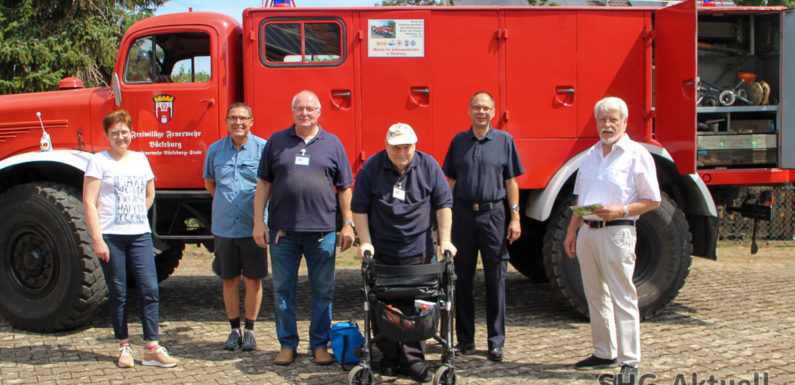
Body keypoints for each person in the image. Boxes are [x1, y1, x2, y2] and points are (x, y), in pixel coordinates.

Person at [252, 90, 355, 366]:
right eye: (300, 108)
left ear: (320, 112)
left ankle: (319, 345)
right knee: (284, 291)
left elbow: (345, 187)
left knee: (323, 291)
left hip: (322, 233)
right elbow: (263, 184)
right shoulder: (277, 142)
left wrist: (347, 223)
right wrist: (259, 222)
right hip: (282, 233)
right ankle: (287, 345)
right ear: (292, 111)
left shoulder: (332, 143)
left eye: (310, 108)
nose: (305, 113)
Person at [563, 97, 661, 385]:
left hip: (618, 232)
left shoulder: (636, 154)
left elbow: (652, 200)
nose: (607, 125)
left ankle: (630, 360)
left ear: (625, 122)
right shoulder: (591, 154)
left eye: (613, 120)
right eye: (602, 120)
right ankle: (604, 353)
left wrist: (622, 210)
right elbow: (580, 197)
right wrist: (571, 231)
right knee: (594, 294)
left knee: (623, 296)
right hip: (587, 232)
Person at [351, 122, 457, 383]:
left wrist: (445, 240)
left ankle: (413, 360)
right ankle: (388, 357)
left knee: (418, 306)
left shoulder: (429, 165)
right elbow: (359, 207)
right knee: (383, 304)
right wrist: (365, 242)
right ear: (386, 146)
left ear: (415, 145)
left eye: (407, 147)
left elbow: (443, 204)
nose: (402, 152)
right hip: (383, 252)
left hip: (419, 252)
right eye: (396, 147)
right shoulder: (371, 168)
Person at [83, 110, 178, 368]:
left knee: (150, 289)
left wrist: (135, 214)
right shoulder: (98, 162)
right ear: (107, 135)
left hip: (140, 236)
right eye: (114, 133)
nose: (120, 137)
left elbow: (150, 194)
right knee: (119, 291)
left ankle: (151, 347)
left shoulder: (140, 159)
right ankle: (124, 346)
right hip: (111, 237)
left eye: (124, 132)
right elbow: (89, 202)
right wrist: (97, 238)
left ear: (131, 133)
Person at [442, 90, 524, 362]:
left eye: (486, 108)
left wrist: (515, 217)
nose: (481, 112)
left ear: (493, 112)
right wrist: (443, 220)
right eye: (477, 107)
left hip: (494, 216)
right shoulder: (458, 141)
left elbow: (511, 181)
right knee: (462, 280)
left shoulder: (504, 141)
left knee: (496, 279)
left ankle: (495, 342)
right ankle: (464, 340)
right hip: (463, 215)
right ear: (469, 110)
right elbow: (450, 181)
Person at [203, 102, 268, 352]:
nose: (238, 122)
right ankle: (233, 330)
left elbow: (269, 186)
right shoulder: (215, 150)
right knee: (228, 279)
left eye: (243, 118)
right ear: (226, 121)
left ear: (252, 121)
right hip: (225, 227)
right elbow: (210, 183)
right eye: (233, 118)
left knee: (253, 279)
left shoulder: (263, 149)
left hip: (254, 227)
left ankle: (250, 330)